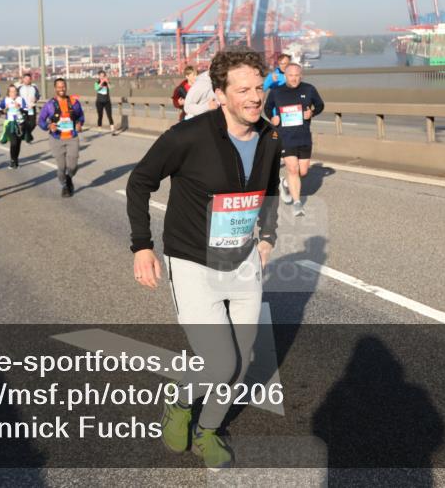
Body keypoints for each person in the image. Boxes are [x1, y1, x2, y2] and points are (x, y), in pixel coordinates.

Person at [126, 48, 282, 470]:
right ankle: (179, 402)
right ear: (220, 94)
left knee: (242, 362)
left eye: (259, 88)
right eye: (243, 89)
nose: (254, 97)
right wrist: (142, 245)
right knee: (220, 362)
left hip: (244, 262)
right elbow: (140, 181)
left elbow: (268, 189)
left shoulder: (270, 136)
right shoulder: (189, 136)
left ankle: (207, 430)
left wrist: (267, 236)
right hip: (193, 262)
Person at [264, 62, 324, 216]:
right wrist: (273, 117)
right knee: (292, 168)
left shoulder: (308, 89)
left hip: (303, 136)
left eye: (297, 76)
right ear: (286, 76)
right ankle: (297, 204)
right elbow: (267, 107)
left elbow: (320, 105)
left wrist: (312, 112)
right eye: (291, 75)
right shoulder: (276, 91)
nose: (294, 78)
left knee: (303, 172)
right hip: (285, 136)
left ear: (301, 76)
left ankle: (285, 184)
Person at [37, 78, 85, 198]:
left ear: (66, 87)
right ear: (55, 89)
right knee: (61, 167)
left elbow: (80, 116)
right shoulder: (49, 105)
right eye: (59, 87)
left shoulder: (74, 102)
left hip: (72, 137)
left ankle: (69, 178)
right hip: (56, 138)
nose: (61, 89)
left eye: (63, 86)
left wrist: (79, 124)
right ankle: (64, 185)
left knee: (73, 166)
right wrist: (48, 125)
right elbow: (40, 120)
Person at [0, 84, 31, 168]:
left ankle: (16, 160)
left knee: (18, 143)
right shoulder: (6, 100)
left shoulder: (21, 99)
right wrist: (4, 109)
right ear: (8, 93)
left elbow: (27, 110)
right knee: (14, 142)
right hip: (10, 123)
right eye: (11, 91)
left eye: (14, 91)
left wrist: (19, 108)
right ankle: (12, 160)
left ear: (17, 92)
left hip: (20, 123)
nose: (13, 93)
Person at [16, 72, 41, 141]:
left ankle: (25, 134)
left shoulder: (34, 87)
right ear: (23, 79)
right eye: (26, 79)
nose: (27, 80)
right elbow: (16, 97)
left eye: (29, 79)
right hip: (22, 108)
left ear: (31, 80)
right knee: (24, 123)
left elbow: (38, 95)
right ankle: (27, 136)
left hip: (31, 108)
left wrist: (36, 99)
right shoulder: (20, 88)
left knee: (33, 124)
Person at [94, 70, 117, 134]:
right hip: (99, 102)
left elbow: (111, 88)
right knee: (100, 116)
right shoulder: (96, 82)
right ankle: (99, 130)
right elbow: (97, 89)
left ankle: (112, 130)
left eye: (103, 76)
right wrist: (101, 82)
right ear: (99, 76)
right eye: (101, 76)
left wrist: (108, 82)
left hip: (107, 101)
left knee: (109, 115)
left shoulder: (106, 83)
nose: (102, 77)